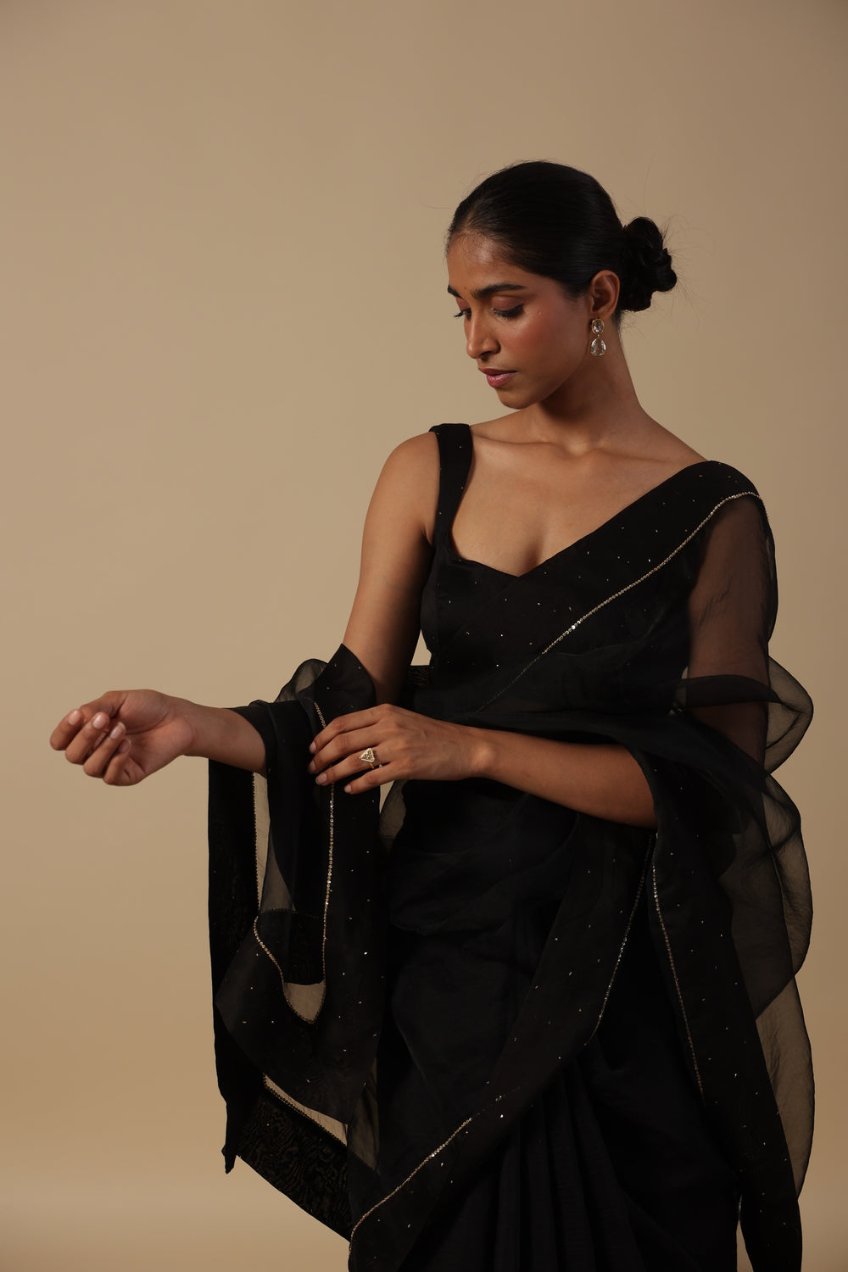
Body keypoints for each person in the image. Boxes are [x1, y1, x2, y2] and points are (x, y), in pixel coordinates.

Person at [49, 160, 814, 1272]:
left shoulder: (713, 512)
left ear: (598, 296)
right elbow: (350, 709)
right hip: (445, 949)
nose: (476, 342)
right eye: (459, 310)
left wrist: (476, 747)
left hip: (619, 967)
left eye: (505, 305)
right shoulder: (429, 469)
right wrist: (194, 726)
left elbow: (711, 790)